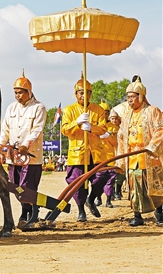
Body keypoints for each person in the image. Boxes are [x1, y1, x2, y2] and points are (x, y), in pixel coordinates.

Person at [0, 71, 46, 228]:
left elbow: (37, 129)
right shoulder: (11, 108)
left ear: (29, 92)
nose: (17, 96)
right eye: (15, 93)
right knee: (15, 186)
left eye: (20, 92)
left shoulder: (38, 108)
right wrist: (1, 145)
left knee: (27, 186)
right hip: (13, 156)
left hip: (31, 157)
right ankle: (27, 210)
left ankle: (27, 213)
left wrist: (26, 145)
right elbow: (5, 129)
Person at [116, 78, 163, 226]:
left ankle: (160, 214)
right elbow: (121, 136)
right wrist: (120, 160)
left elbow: (160, 130)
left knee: (155, 187)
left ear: (141, 96)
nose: (129, 100)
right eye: (128, 97)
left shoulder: (152, 111)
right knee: (134, 188)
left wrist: (152, 147)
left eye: (132, 96)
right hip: (133, 157)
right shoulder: (126, 116)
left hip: (149, 156)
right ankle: (137, 216)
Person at [61, 75, 108, 222]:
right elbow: (64, 130)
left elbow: (103, 129)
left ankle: (92, 198)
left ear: (91, 94)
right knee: (77, 181)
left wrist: (91, 128)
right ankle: (81, 209)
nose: (84, 95)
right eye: (81, 92)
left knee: (102, 176)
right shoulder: (69, 111)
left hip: (95, 152)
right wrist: (77, 123)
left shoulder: (98, 109)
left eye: (87, 92)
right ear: (75, 94)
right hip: (77, 153)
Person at [94, 102, 120, 208]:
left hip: (110, 157)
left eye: (105, 113)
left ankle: (108, 200)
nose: (103, 115)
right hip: (98, 157)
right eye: (101, 113)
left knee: (110, 180)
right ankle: (98, 197)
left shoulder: (113, 128)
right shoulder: (95, 126)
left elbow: (116, 143)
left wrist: (109, 136)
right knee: (98, 179)